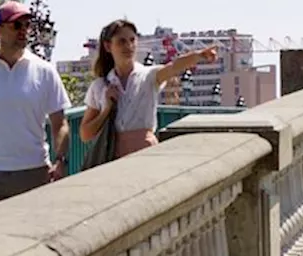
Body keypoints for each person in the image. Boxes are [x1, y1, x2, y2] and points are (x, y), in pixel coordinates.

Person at [0, 0, 72, 209]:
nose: (23, 31)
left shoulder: (45, 71)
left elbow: (60, 122)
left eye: (27, 25)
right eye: (16, 25)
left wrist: (61, 161)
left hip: (34, 172)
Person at [80, 19, 218, 158]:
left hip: (145, 152)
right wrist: (106, 109)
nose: (129, 46)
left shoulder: (148, 76)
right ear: (108, 46)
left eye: (132, 40)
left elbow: (173, 67)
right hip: (112, 155)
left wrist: (199, 56)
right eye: (122, 41)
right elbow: (85, 134)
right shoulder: (100, 86)